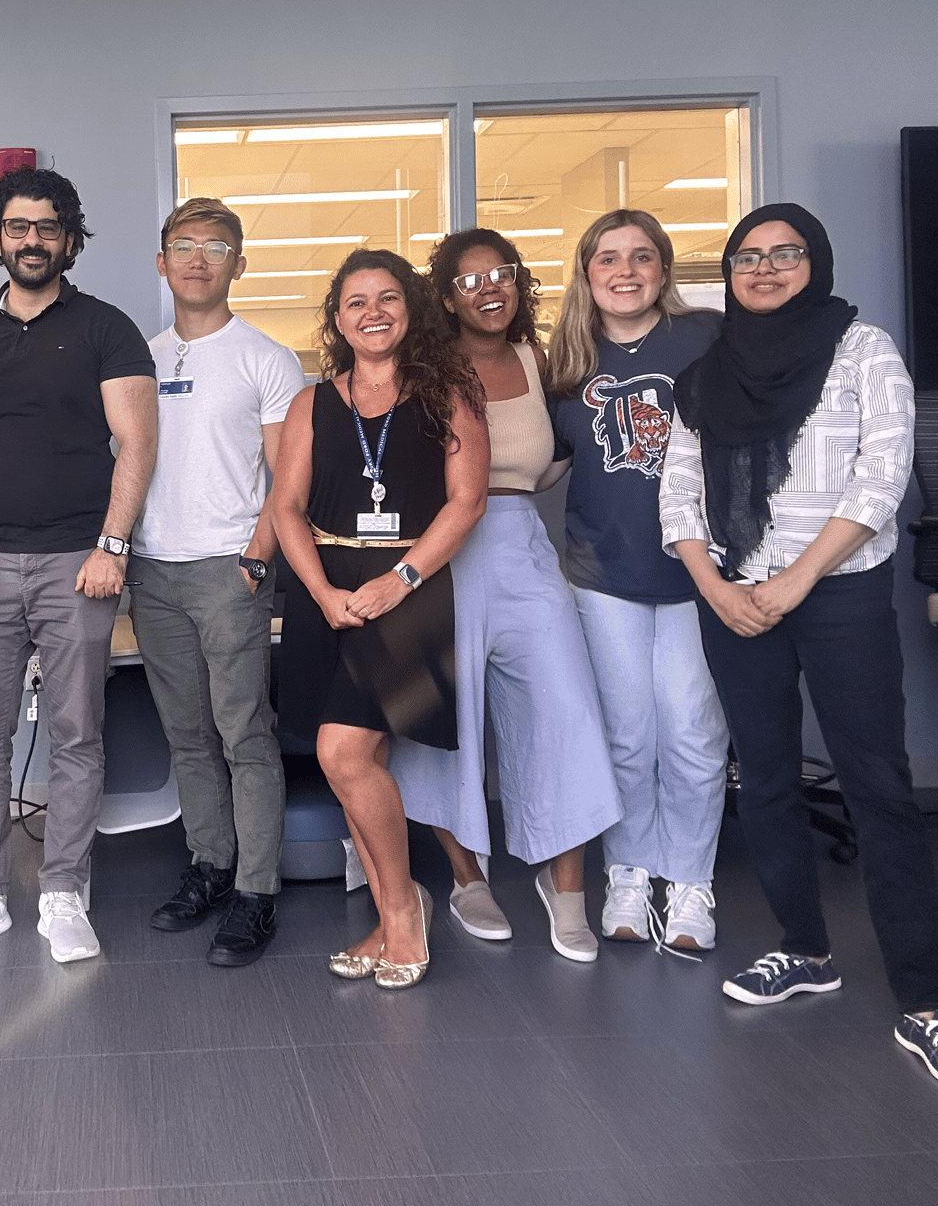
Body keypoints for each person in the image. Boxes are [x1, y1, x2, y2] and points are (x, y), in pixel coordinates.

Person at [661, 202, 938, 1095]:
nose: (765, 269)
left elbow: (882, 477)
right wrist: (719, 590)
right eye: (748, 257)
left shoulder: (864, 351)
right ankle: (804, 950)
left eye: (786, 254)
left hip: (836, 590)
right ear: (728, 275)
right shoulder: (705, 375)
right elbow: (680, 494)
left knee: (877, 783)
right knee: (764, 779)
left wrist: (795, 580)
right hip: (733, 597)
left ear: (818, 263)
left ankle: (926, 1007)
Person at [0, 167, 158, 965]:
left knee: (78, 733)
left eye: (48, 227)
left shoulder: (107, 328)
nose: (33, 240)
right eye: (18, 227)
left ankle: (62, 893)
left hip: (77, 562)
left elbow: (138, 442)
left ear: (71, 239)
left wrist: (113, 546)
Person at [388, 229, 622, 963]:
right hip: (442, 549)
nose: (490, 289)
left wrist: (535, 482)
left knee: (566, 710)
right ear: (446, 296)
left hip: (519, 543)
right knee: (442, 718)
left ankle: (569, 889)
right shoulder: (422, 367)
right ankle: (467, 878)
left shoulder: (536, 358)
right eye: (470, 280)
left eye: (503, 275)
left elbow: (556, 453)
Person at [269, 249, 489, 990]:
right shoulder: (310, 404)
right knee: (359, 765)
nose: (373, 313)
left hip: (408, 589)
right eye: (356, 301)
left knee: (343, 755)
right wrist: (322, 594)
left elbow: (467, 503)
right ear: (337, 318)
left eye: (387, 298)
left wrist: (400, 580)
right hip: (324, 591)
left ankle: (403, 914)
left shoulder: (448, 394)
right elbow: (287, 509)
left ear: (411, 310)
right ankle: (394, 908)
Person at [129, 198, 305, 967]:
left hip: (229, 568)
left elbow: (287, 476)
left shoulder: (267, 358)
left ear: (239, 263)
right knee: (188, 736)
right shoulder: (139, 356)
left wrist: (257, 557)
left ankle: (257, 893)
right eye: (183, 245)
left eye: (216, 246)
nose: (198, 258)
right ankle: (210, 867)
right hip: (152, 569)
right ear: (161, 262)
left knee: (244, 733)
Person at [548, 209, 728, 952]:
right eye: (608, 259)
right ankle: (629, 873)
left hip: (699, 568)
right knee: (625, 734)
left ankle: (689, 885)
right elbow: (544, 459)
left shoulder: (709, 337)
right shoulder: (564, 357)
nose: (625, 272)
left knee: (692, 728)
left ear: (664, 268)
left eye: (642, 257)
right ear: (587, 273)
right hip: (604, 569)